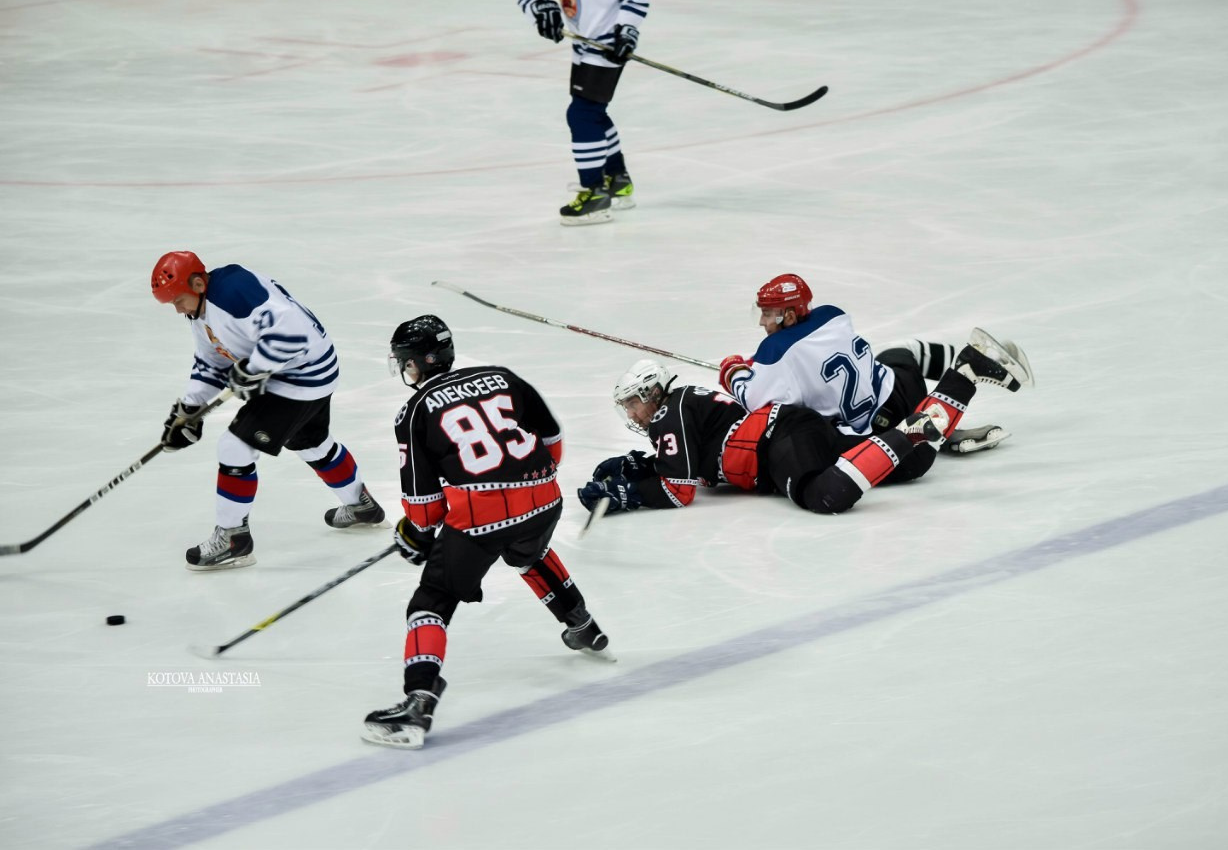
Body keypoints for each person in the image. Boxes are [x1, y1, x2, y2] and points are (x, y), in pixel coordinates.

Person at [362, 315, 611, 749]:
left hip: (482, 518)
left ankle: (418, 701)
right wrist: (530, 481)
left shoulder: (416, 409)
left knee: (432, 599)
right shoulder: (501, 376)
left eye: (406, 362)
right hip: (545, 499)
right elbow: (552, 438)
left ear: (420, 361)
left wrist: (414, 534)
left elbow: (424, 507)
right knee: (528, 554)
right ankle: (582, 625)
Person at [578, 331, 1025, 516]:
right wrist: (641, 466)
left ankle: (913, 428)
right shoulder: (683, 404)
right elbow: (688, 462)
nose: (632, 414)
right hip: (791, 431)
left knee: (824, 496)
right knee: (910, 466)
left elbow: (679, 491)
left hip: (783, 442)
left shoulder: (667, 413)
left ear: (650, 394)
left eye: (631, 404)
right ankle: (964, 375)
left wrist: (630, 493)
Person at [150, 251, 385, 571]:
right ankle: (361, 505)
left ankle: (233, 539)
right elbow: (212, 362)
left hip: (301, 374)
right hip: (307, 369)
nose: (177, 309)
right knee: (310, 442)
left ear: (197, 283)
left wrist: (252, 369)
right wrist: (190, 409)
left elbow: (291, 334)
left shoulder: (234, 292)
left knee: (235, 446)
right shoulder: (201, 310)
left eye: (178, 300)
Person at [718, 273, 1035, 453]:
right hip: (903, 389)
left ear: (788, 315)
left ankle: (963, 378)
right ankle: (954, 387)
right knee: (902, 351)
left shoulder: (775, 350)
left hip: (878, 428)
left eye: (768, 314)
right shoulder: (832, 313)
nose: (762, 321)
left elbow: (754, 400)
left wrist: (734, 370)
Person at [518, 0, 648, 226]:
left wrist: (627, 29)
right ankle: (618, 181)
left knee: (583, 114)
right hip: (583, 40)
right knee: (592, 112)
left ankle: (595, 194)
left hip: (608, 41)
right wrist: (538, 5)